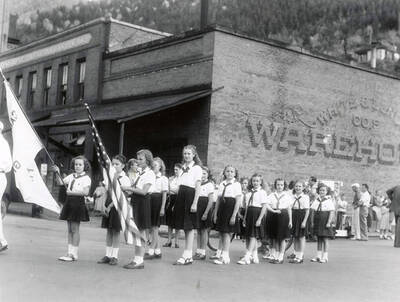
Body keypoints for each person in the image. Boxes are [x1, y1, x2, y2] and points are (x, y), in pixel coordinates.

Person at [122, 149, 155, 269]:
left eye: (141, 159)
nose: (138, 162)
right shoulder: (140, 173)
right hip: (136, 201)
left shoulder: (150, 173)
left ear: (148, 160)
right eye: (137, 159)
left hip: (143, 202)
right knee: (137, 230)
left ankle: (140, 260)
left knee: (140, 231)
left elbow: (144, 191)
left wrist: (129, 188)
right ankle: (136, 258)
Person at [55, 156, 92, 262]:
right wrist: (57, 172)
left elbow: (85, 192)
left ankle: (74, 254)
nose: (78, 166)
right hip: (69, 203)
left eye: (80, 165)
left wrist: (72, 193)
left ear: (85, 166)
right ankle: (69, 252)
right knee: (70, 229)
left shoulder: (86, 178)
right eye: (76, 164)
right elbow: (60, 183)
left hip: (78, 203)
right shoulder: (72, 176)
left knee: (75, 229)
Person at [98, 155, 131, 266]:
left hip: (118, 206)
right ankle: (107, 255)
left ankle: (114, 256)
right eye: (113, 164)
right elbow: (106, 191)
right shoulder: (109, 176)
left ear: (123, 165)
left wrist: (111, 206)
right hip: (108, 203)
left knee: (116, 231)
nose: (115, 166)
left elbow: (123, 195)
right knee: (109, 230)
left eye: (117, 164)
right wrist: (103, 204)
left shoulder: (124, 178)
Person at [173, 145, 202, 265]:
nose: (186, 156)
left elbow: (198, 187)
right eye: (185, 153)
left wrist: (195, 202)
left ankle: (187, 254)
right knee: (183, 226)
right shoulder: (182, 167)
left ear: (194, 154)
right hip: (181, 196)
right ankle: (188, 255)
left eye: (189, 153)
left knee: (189, 227)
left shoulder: (197, 168)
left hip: (190, 196)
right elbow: (179, 187)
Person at [212, 165, 242, 265]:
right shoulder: (222, 184)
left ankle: (225, 256)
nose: (229, 173)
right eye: (227, 171)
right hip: (222, 210)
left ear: (235, 174)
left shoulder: (237, 184)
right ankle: (220, 253)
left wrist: (234, 215)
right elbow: (218, 200)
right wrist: (215, 214)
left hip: (230, 209)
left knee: (227, 233)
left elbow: (238, 201)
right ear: (224, 173)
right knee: (221, 232)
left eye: (232, 172)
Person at [237, 173, 269, 265]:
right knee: (249, 236)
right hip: (249, 214)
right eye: (254, 181)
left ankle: (247, 257)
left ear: (261, 182)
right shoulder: (249, 193)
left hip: (257, 214)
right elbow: (247, 207)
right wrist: (244, 219)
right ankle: (254, 256)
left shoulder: (262, 192)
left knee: (253, 236)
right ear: (251, 181)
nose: (255, 182)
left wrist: (259, 219)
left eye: (257, 181)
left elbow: (264, 207)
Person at [264, 178, 292, 264]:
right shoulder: (272, 195)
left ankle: (281, 256)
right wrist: (273, 211)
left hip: (283, 216)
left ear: (284, 186)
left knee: (282, 237)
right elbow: (266, 205)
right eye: (278, 185)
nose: (280, 186)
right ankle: (275, 255)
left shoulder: (287, 196)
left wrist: (291, 220)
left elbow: (289, 208)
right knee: (275, 237)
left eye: (281, 185)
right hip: (273, 215)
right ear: (275, 185)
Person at [145, 157, 168, 260]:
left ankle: (151, 251)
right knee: (151, 227)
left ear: (160, 167)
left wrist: (162, 207)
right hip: (149, 200)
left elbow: (164, 195)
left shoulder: (163, 178)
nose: (153, 167)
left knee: (155, 227)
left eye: (155, 165)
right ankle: (158, 251)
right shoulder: (149, 177)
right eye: (152, 166)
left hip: (157, 201)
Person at [193, 166, 214, 260]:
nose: (202, 175)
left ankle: (203, 252)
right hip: (197, 208)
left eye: (204, 173)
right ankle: (198, 251)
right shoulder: (197, 184)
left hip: (204, 208)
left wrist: (206, 213)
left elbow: (210, 201)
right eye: (201, 173)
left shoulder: (209, 185)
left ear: (208, 175)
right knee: (198, 230)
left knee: (204, 230)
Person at [310, 184, 335, 263]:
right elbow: (313, 211)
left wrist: (329, 222)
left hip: (325, 221)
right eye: (320, 190)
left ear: (327, 192)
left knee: (325, 238)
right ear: (318, 191)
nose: (322, 192)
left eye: (324, 190)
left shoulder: (328, 200)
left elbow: (331, 212)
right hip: (317, 221)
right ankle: (318, 256)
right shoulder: (316, 200)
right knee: (319, 238)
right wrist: (312, 221)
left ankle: (325, 256)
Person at [288, 180, 310, 264]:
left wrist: (304, 222)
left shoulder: (305, 197)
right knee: (295, 237)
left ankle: (300, 257)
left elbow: (307, 211)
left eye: (300, 186)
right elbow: (289, 208)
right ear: (294, 187)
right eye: (296, 186)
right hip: (294, 215)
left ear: (303, 188)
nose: (298, 188)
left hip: (301, 216)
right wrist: (290, 220)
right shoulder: (292, 197)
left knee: (301, 237)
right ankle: (296, 256)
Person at [164, 163, 182, 248]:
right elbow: (166, 189)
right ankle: (169, 240)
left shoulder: (182, 179)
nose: (175, 171)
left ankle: (177, 241)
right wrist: (169, 189)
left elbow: (179, 191)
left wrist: (170, 189)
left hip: (178, 199)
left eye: (177, 170)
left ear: (181, 170)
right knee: (170, 221)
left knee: (177, 221)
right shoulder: (172, 179)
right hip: (170, 199)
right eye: (174, 169)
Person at [0, 121, 12, 252]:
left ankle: (2, 241)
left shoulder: (2, 144)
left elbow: (7, 165)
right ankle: (2, 240)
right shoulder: (4, 143)